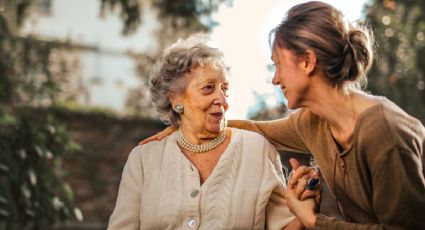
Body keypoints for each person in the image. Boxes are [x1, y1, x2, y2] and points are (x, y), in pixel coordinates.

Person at [140, 2, 425, 229]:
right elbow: (257, 129)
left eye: (278, 65)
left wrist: (313, 220)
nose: (275, 79)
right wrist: (189, 127)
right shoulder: (312, 122)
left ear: (307, 62)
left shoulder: (384, 133)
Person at [108, 35, 307, 229]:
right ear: (175, 98)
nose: (222, 99)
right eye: (208, 88)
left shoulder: (257, 150)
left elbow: (283, 225)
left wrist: (304, 214)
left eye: (225, 88)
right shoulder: (144, 159)